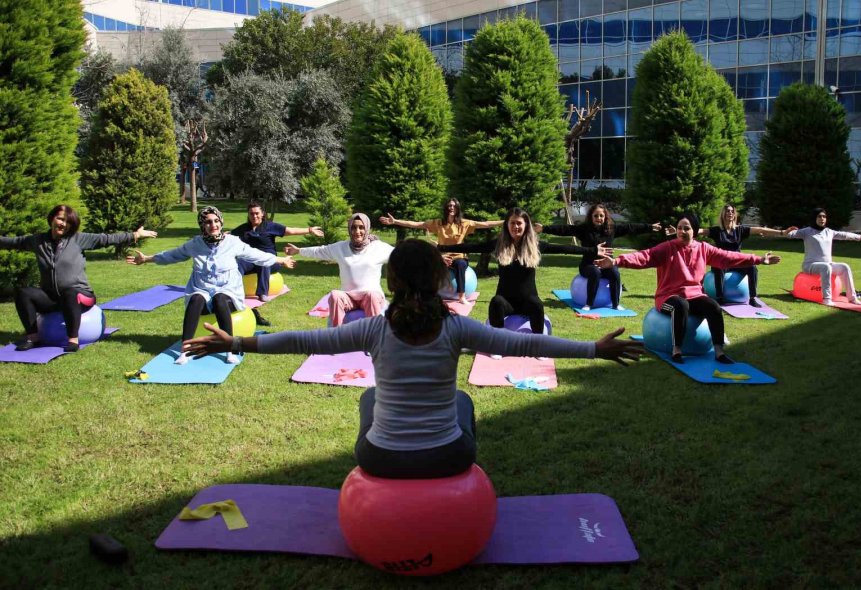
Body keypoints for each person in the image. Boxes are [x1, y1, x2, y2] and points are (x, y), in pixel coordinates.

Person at [183, 239, 643, 479]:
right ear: (438, 278)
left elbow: (305, 341)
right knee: (462, 402)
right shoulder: (456, 327)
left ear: (396, 280)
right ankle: (465, 474)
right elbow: (526, 345)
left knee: (371, 398)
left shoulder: (375, 328)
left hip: (379, 459)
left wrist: (238, 343)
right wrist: (593, 350)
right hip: (448, 458)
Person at [596, 213, 780, 364]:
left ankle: (719, 351)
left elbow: (728, 257)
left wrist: (759, 260)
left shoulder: (703, 248)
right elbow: (644, 256)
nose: (682, 231)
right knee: (680, 305)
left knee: (714, 306)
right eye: (679, 228)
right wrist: (617, 261)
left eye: (687, 228)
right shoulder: (667, 248)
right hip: (667, 298)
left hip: (694, 295)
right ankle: (677, 350)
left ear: (695, 231)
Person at [127, 206, 295, 365]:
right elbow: (173, 255)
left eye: (216, 221)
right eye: (208, 221)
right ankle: (184, 350)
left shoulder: (233, 242)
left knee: (220, 299)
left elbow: (257, 256)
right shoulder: (195, 244)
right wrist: (147, 259)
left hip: (227, 291)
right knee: (196, 299)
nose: (213, 225)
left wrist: (281, 260)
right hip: (202, 288)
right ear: (202, 225)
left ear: (221, 222)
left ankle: (231, 349)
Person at [438, 207, 608, 346]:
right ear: (507, 225)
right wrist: (441, 248)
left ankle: (540, 345)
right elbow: (472, 246)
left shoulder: (535, 245)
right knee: (495, 302)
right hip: (506, 302)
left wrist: (592, 250)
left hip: (528, 302)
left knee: (537, 304)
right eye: (512, 223)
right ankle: (497, 345)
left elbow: (564, 249)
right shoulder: (499, 245)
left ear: (526, 225)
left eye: (519, 224)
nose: (516, 227)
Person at [0, 205, 157, 353]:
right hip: (52, 297)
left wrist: (135, 235)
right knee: (23, 292)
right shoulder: (38, 240)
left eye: (68, 222)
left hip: (81, 296)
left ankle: (73, 340)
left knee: (70, 292)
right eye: (60, 219)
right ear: (52, 218)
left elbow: (107, 239)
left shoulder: (78, 239)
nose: (63, 224)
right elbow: (15, 242)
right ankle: (33, 337)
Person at [535, 203, 662, 310]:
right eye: (596, 216)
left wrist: (650, 227)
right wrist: (544, 228)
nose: (599, 218)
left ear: (605, 217)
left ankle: (615, 304)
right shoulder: (584, 229)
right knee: (595, 272)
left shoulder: (611, 229)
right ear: (591, 217)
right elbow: (565, 229)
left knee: (615, 273)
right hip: (588, 265)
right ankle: (589, 303)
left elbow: (630, 227)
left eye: (601, 216)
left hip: (607, 264)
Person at [379, 199, 502, 305]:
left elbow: (486, 224)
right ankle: (423, 294)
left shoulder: (464, 223)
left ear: (457, 208)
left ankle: (461, 296)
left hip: (459, 256)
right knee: (427, 265)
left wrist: (506, 222)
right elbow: (418, 224)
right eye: (449, 206)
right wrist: (395, 221)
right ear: (446, 208)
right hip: (442, 256)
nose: (451, 208)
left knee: (460, 265)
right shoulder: (438, 223)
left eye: (454, 206)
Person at [285, 213, 393, 327]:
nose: (357, 231)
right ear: (349, 229)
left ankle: (375, 336)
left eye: (361, 227)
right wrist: (298, 251)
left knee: (372, 295)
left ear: (367, 228)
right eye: (354, 227)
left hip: (371, 297)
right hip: (348, 297)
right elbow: (320, 251)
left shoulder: (379, 248)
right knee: (335, 295)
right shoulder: (341, 247)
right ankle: (336, 336)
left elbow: (401, 254)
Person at [231, 200, 323, 326]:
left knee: (264, 261)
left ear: (263, 213)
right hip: (251, 261)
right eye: (251, 214)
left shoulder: (270, 226)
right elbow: (228, 236)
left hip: (271, 262)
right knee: (238, 263)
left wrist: (309, 230)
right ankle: (234, 291)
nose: (254, 216)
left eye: (257, 213)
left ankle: (262, 293)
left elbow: (291, 231)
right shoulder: (244, 229)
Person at [697, 204, 796, 307]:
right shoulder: (716, 231)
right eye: (727, 211)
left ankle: (752, 298)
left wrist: (782, 232)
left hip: (737, 261)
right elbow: (700, 231)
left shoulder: (740, 230)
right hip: (722, 262)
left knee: (752, 267)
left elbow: (760, 230)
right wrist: (685, 230)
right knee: (718, 267)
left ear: (734, 215)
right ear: (723, 214)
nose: (730, 213)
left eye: (732, 211)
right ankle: (720, 298)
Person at [786, 208, 861, 306]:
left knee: (845, 267)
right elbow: (789, 234)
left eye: (824, 216)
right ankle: (827, 299)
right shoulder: (806, 231)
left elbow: (844, 235)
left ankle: (852, 298)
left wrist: (860, 237)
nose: (822, 219)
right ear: (814, 218)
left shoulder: (829, 232)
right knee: (825, 267)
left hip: (827, 265)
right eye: (819, 216)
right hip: (810, 265)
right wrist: (787, 232)